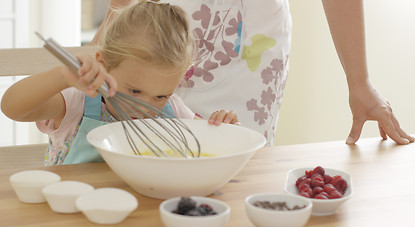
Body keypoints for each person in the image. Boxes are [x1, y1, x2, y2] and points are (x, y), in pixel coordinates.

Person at [106, 0, 413, 146]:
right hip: (158, 35)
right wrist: (106, 47)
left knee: (239, 159)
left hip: (252, 45)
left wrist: (360, 82)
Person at [1, 1, 239, 166]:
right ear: (103, 64)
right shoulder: (77, 103)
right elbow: (12, 107)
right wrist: (62, 77)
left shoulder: (173, 110)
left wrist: (224, 127)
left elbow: (214, 146)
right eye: (134, 90)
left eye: (161, 96)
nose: (145, 107)